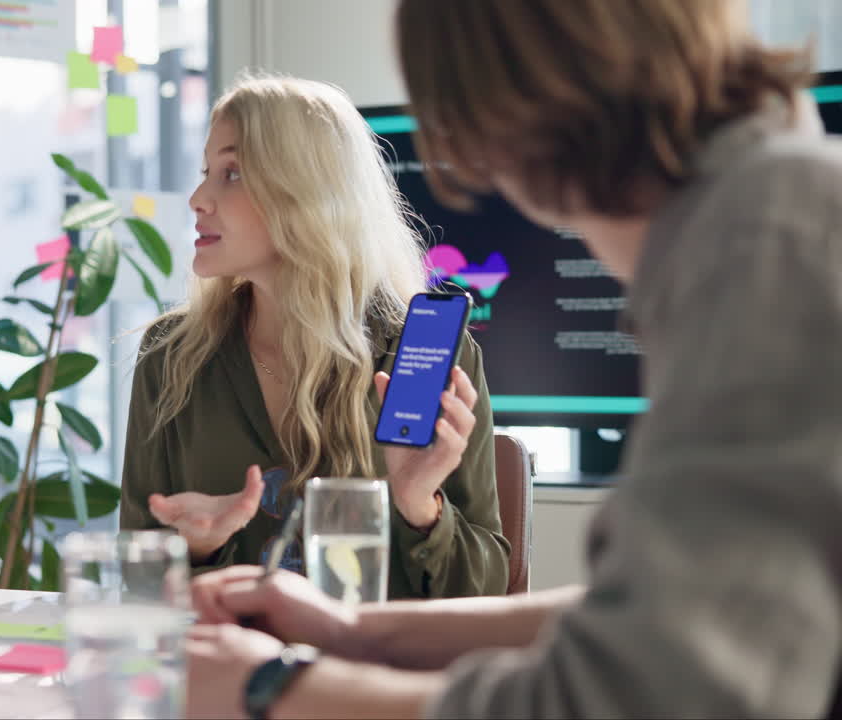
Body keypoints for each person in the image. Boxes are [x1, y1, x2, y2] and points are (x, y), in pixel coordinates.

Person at [182, 1, 842, 717]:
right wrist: (355, 631)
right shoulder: (776, 211)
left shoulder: (766, 246)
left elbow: (640, 695)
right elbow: (669, 613)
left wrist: (275, 687)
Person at [119, 73, 509, 600]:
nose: (197, 198)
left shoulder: (426, 355)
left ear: (306, 191)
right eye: (206, 172)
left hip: (372, 653)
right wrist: (195, 550)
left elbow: (484, 592)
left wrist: (421, 506)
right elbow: (136, 582)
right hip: (231, 652)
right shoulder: (169, 357)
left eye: (232, 173)